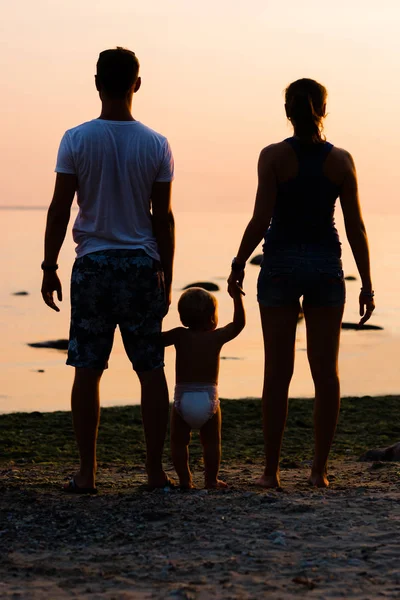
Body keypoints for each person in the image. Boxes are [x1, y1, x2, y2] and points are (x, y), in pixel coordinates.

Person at [228, 78, 375, 489]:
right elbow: (356, 227)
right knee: (325, 372)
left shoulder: (273, 157)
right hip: (327, 264)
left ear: (287, 112)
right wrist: (367, 283)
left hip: (279, 263)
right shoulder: (342, 161)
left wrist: (239, 261)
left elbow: (261, 219)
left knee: (277, 372)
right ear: (324, 111)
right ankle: (318, 472)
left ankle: (271, 472)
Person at [41, 47, 175, 493]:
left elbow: (60, 208)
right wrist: (167, 274)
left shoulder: (76, 139)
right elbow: (164, 217)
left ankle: (87, 472)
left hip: (94, 265)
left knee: (87, 368)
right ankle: (155, 472)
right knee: (151, 368)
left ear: (97, 82)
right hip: (141, 264)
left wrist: (49, 264)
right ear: (137, 84)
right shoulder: (156, 143)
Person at [163, 285, 245, 489]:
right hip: (208, 398)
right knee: (211, 443)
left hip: (183, 398)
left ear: (183, 318)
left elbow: (155, 338)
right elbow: (238, 324)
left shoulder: (179, 335)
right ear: (212, 318)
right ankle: (210, 480)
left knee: (179, 442)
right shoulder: (216, 337)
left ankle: (185, 480)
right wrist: (237, 298)